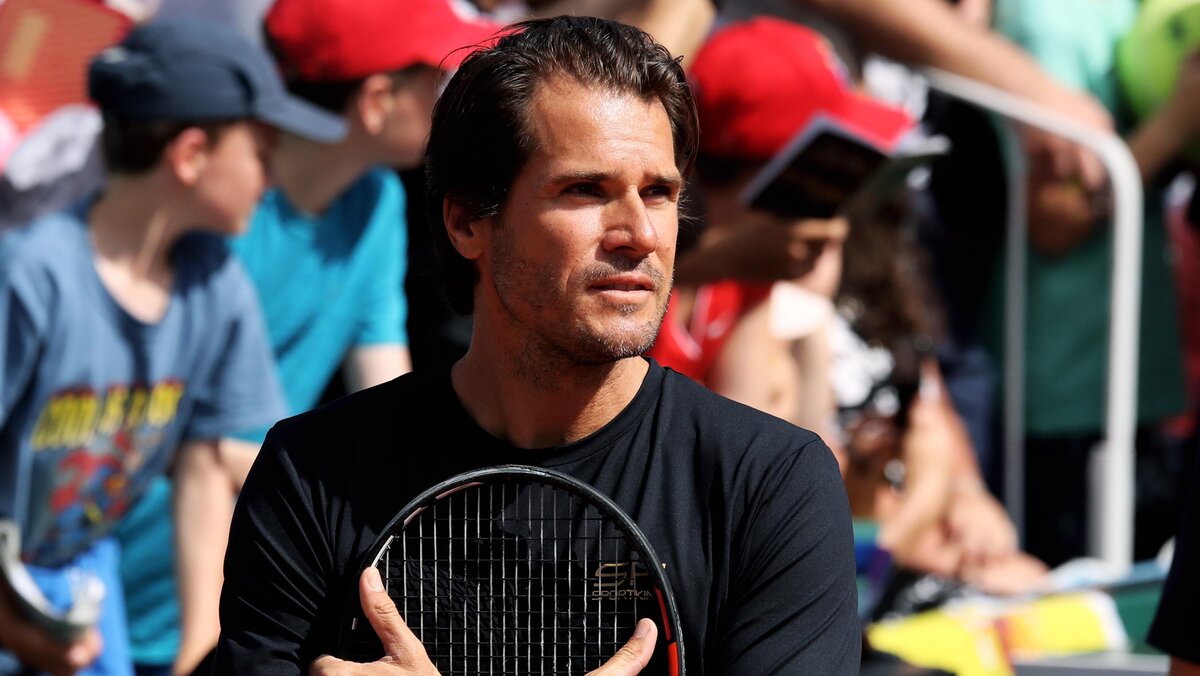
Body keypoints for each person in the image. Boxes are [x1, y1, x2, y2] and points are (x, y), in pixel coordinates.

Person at [215, 15, 860, 674]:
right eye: (586, 190)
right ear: (467, 221)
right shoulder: (310, 472)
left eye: (659, 193)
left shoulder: (774, 485)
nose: (640, 233)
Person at [114, 4, 503, 670]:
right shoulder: (213, 216)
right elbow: (178, 443)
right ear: (376, 101)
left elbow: (392, 410)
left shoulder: (377, 204)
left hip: (248, 583)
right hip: (125, 579)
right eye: (433, 80)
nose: (448, 98)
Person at [0, 18, 346, 675]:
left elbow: (207, 463)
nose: (271, 179)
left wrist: (199, 650)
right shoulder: (33, 276)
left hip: (81, 584)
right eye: (261, 153)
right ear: (190, 155)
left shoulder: (214, 284)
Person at [992, 0, 1192, 566]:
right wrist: (1175, 122)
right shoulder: (1047, 22)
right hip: (1071, 394)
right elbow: (1055, 222)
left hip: (1139, 382)